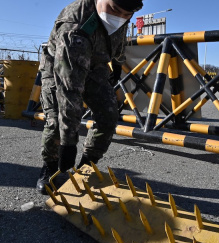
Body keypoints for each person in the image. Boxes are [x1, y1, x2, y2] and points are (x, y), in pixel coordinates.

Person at [36, 0, 143, 194]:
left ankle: (85, 168)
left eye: (126, 15)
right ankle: (50, 168)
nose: (119, 17)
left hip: (95, 67)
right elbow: (69, 90)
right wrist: (69, 143)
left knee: (108, 115)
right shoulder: (75, 26)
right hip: (60, 69)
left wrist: (118, 61)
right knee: (57, 122)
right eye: (114, 10)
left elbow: (119, 38)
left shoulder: (122, 12)